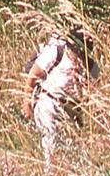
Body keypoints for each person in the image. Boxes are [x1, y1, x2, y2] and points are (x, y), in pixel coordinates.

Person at [22, 28, 95, 164]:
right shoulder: (56, 52)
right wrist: (27, 102)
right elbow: (32, 76)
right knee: (51, 143)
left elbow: (94, 92)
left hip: (72, 110)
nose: (76, 55)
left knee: (72, 149)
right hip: (49, 103)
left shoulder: (90, 66)